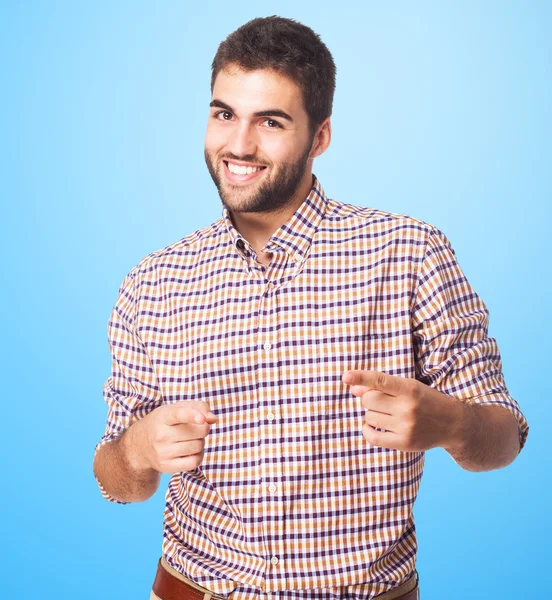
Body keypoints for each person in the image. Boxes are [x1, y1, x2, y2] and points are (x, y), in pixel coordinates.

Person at [93, 16, 529, 600]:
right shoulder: (153, 283)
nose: (239, 145)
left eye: (270, 122)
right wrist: (139, 449)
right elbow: (115, 479)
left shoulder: (409, 254)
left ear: (319, 136)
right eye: (224, 114)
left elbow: (505, 438)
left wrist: (453, 423)